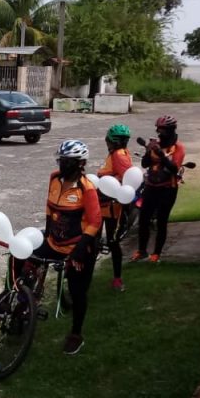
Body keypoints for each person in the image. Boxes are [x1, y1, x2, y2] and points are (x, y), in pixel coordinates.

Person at [31, 140, 101, 356]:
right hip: (55, 242)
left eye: (68, 161)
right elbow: (49, 206)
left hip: (79, 248)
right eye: (61, 160)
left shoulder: (86, 188)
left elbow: (95, 221)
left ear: (80, 163)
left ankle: (76, 334)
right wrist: (46, 229)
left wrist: (80, 249)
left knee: (78, 291)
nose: (63, 165)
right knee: (23, 256)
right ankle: (21, 301)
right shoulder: (54, 178)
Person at [132, 115, 185, 263]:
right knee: (143, 220)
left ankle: (156, 253)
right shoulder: (156, 144)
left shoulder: (178, 147)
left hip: (168, 189)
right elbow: (144, 164)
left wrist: (161, 155)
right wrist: (149, 152)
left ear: (170, 130)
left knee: (162, 221)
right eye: (158, 129)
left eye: (162, 130)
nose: (159, 133)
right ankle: (141, 250)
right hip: (151, 186)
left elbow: (174, 168)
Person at [97, 123, 134, 292]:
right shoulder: (119, 153)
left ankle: (117, 279)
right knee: (97, 239)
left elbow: (127, 180)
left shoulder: (119, 155)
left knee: (113, 241)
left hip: (112, 206)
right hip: (103, 203)